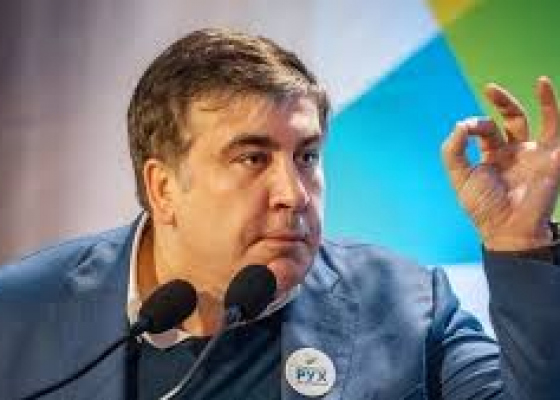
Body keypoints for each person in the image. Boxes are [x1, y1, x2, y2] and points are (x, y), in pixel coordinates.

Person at [1, 28, 559, 400]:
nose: (293, 194)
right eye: (253, 158)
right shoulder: (20, 315)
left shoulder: (405, 307)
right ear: (163, 187)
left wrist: (520, 241)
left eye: (307, 156)